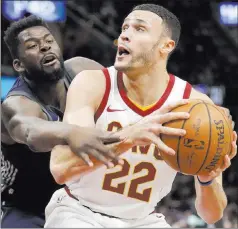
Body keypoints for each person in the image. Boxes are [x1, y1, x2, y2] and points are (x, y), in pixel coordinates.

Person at [45, 4, 237, 228]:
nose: (125, 34)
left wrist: (207, 177)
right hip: (79, 211)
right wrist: (129, 137)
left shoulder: (196, 105)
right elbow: (60, 168)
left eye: (139, 29)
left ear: (166, 46)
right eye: (124, 27)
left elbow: (211, 215)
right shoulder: (93, 84)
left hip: (142, 220)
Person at [1, 15, 121, 228]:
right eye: (32, 46)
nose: (45, 48)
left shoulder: (82, 69)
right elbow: (30, 132)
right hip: (28, 207)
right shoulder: (16, 103)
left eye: (49, 41)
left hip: (81, 202)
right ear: (18, 65)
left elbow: (125, 92)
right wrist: (71, 133)